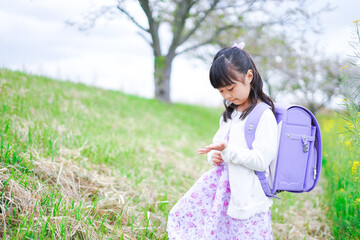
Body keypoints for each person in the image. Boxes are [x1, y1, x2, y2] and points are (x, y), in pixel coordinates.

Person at [166, 43, 278, 240]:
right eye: (221, 91)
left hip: (247, 196)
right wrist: (214, 155)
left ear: (249, 77)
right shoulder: (230, 114)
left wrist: (228, 151)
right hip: (221, 191)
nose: (227, 96)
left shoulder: (264, 116)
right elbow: (219, 144)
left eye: (230, 88)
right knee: (186, 218)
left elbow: (261, 160)